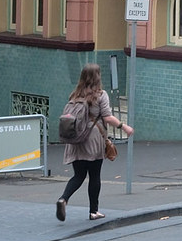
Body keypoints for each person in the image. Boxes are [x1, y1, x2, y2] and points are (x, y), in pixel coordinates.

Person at [56, 63, 133, 222]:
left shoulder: (74, 95)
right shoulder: (101, 95)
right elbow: (107, 117)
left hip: (76, 140)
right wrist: (123, 126)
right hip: (93, 139)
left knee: (78, 175)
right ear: (97, 77)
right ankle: (93, 211)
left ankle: (63, 199)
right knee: (94, 175)